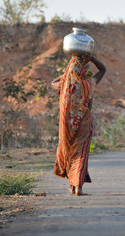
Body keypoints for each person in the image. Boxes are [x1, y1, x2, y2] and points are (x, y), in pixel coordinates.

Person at [51, 54, 106, 196]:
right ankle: (78, 187)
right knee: (81, 154)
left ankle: (72, 185)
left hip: (66, 126)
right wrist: (93, 59)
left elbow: (52, 83)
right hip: (84, 123)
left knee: (69, 153)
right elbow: (103, 70)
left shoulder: (63, 84)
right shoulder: (89, 83)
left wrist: (66, 73)